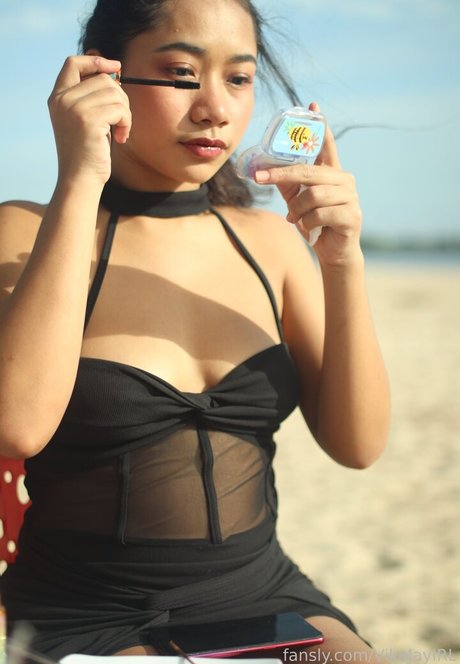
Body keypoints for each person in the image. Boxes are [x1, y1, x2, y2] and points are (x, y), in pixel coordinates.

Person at [0, 0, 390, 660]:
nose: (215, 109)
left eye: (238, 79)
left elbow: (358, 445)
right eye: (182, 74)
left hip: (262, 595)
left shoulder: (271, 244)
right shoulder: (24, 230)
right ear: (102, 77)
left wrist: (342, 260)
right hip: (82, 609)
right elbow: (17, 427)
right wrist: (81, 178)